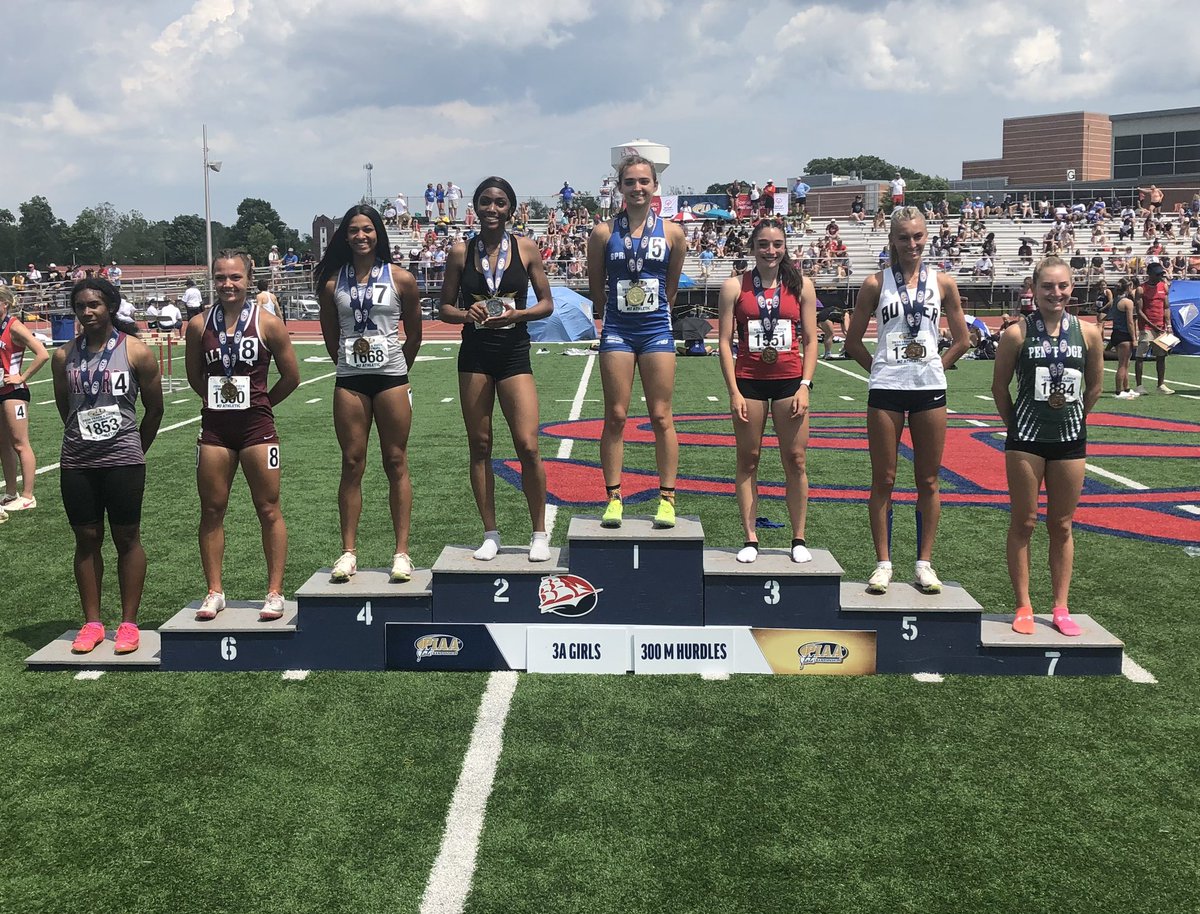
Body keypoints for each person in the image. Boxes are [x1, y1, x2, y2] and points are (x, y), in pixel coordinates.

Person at [844, 206, 969, 594]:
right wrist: (882, 370)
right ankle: (883, 563)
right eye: (903, 237)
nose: (911, 244)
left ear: (926, 236)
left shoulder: (943, 282)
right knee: (883, 478)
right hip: (886, 392)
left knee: (928, 480)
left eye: (917, 236)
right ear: (893, 240)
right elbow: (852, 343)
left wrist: (936, 365)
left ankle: (924, 563)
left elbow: (964, 339)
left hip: (929, 391)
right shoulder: (874, 283)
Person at [439, 178, 554, 562]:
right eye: (486, 202)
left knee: (528, 444)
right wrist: (465, 313)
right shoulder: (460, 251)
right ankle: (490, 533)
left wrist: (518, 314)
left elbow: (547, 303)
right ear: (475, 207)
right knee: (480, 445)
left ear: (511, 209)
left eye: (500, 203)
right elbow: (444, 309)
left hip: (513, 352)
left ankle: (539, 532)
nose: (493, 208)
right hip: (474, 354)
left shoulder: (525, 247)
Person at [185, 250, 300, 622]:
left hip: (257, 428)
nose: (227, 284)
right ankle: (215, 591)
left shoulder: (268, 323)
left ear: (249, 279)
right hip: (216, 428)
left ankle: (274, 591)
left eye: (234, 277)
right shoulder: (199, 325)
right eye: (220, 278)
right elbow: (194, 376)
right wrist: (217, 402)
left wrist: (263, 404)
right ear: (212, 280)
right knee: (212, 510)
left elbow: (291, 376)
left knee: (268, 508)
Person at [51, 278, 164, 653]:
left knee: (126, 537)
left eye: (95, 304)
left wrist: (135, 448)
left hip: (123, 460)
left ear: (110, 307)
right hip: (78, 460)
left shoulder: (136, 352)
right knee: (86, 539)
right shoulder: (63, 356)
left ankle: (128, 624)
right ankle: (92, 622)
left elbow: (155, 408)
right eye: (81, 306)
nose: (88, 311)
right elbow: (64, 408)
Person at [992, 256, 1103, 636]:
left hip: (1070, 442)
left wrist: (1073, 419)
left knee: (1062, 524)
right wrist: (1018, 426)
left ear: (1072, 288)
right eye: (1047, 286)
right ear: (1034, 290)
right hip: (1026, 441)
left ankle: (1060, 605)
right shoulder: (1017, 334)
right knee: (1024, 522)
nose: (1055, 293)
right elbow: (999, 388)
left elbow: (1095, 387)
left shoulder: (1088, 333)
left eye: (1062, 286)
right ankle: (1023, 604)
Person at [316, 205, 423, 583]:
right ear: (345, 236)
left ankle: (402, 552)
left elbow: (416, 333)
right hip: (350, 380)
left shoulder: (401, 278)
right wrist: (351, 363)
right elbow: (331, 338)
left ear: (379, 233)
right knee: (351, 463)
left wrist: (396, 366)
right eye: (354, 230)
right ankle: (348, 552)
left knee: (396, 461)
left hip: (392, 377)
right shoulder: (332, 284)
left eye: (368, 230)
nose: (361, 236)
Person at [587, 154, 686, 528]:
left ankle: (667, 498)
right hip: (617, 330)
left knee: (661, 415)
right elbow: (597, 287)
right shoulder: (602, 232)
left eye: (644, 181)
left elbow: (671, 286)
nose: (638, 188)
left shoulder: (673, 232)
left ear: (655, 185)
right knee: (616, 415)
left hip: (656, 328)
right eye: (630, 182)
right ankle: (614, 497)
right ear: (620, 188)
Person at [717, 218, 818, 564]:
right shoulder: (734, 287)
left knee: (796, 460)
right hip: (749, 382)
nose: (770, 251)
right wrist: (733, 391)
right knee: (749, 460)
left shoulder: (802, 285)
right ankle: (750, 538)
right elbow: (724, 343)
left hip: (790, 381)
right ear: (753, 247)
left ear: (785, 247)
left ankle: (798, 537)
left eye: (776, 244)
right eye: (763, 244)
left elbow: (811, 339)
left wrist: (805, 385)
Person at [0, 287, 50, 513]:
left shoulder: (14, 326)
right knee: (4, 444)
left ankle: (28, 495)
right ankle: (11, 492)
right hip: (1, 391)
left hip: (14, 393)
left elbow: (42, 353)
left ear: (5, 304)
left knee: (20, 443)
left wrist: (22, 376)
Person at [1133, 262, 1174, 395]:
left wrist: (1168, 325)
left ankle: (1160, 384)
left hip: (1161, 327)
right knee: (1140, 356)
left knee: (1161, 356)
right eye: (1157, 274)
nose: (1159, 277)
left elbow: (1166, 307)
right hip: (1147, 327)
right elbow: (1139, 311)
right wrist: (1152, 325)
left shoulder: (1164, 287)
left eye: (1161, 274)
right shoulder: (1141, 289)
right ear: (1149, 274)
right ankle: (1139, 385)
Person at [1108, 278, 1139, 398]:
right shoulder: (1127, 302)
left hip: (1116, 333)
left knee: (1126, 363)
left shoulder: (1116, 299)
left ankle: (1126, 388)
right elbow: (1130, 322)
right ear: (1128, 287)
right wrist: (1134, 338)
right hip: (1124, 334)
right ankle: (1118, 391)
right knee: (1123, 364)